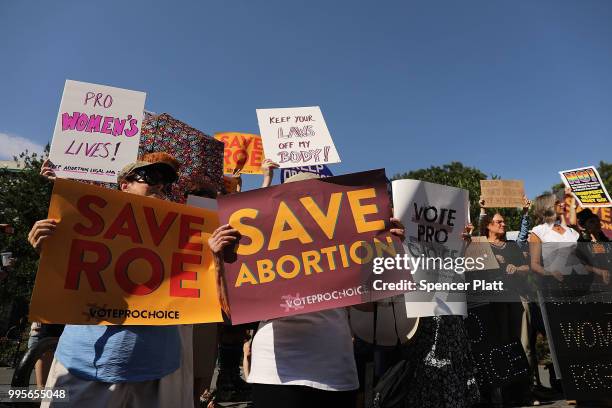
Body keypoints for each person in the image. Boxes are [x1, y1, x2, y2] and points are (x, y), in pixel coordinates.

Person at [207, 172, 406, 408]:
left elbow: (365, 306)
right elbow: (230, 314)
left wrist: (389, 251)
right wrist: (219, 261)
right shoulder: (261, 248)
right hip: (275, 373)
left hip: (334, 372)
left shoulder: (343, 245)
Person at [30, 154, 190, 408]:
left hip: (158, 368)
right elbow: (65, 280)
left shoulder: (183, 233)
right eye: (151, 177)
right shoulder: (84, 226)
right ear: (124, 185)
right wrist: (48, 251)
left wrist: (217, 255)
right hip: (85, 364)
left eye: (166, 182)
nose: (160, 185)